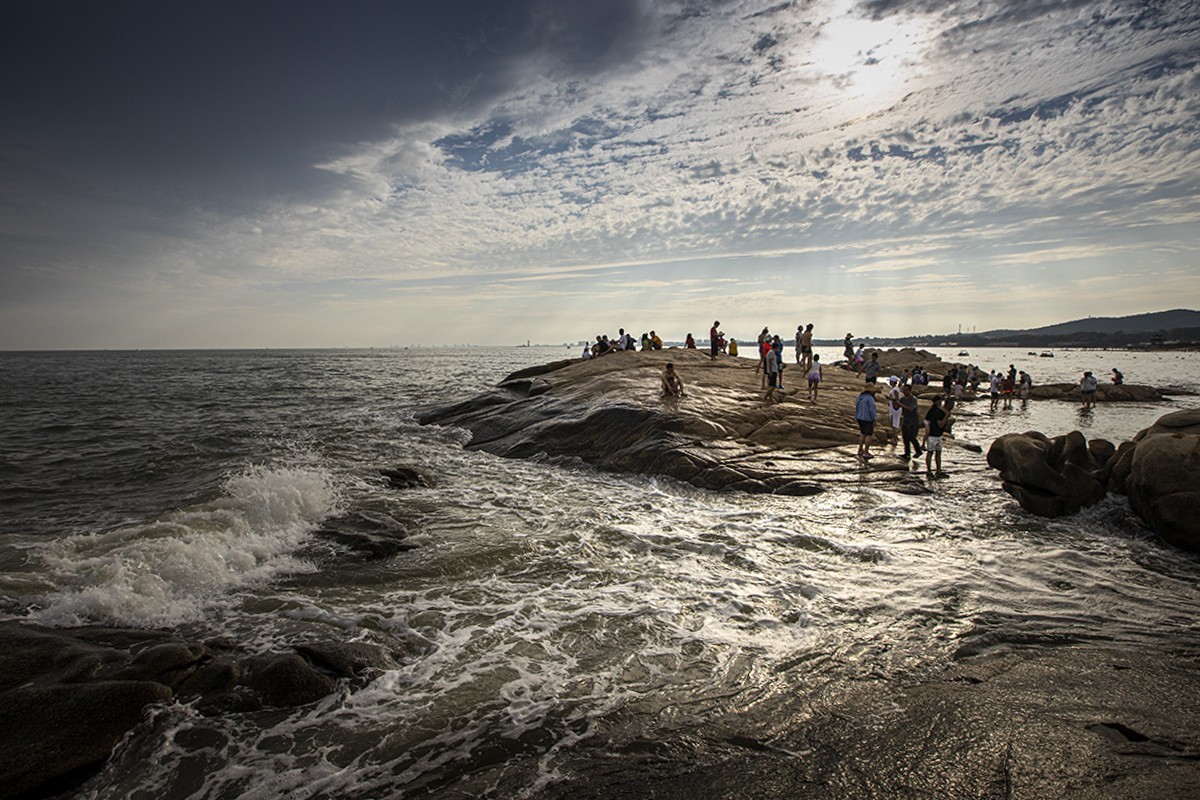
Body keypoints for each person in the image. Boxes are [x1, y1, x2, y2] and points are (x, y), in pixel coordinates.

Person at [924, 395, 948, 476]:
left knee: (932, 453)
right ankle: (936, 471)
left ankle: (931, 471)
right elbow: (940, 424)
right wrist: (946, 416)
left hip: (934, 435)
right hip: (934, 435)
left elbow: (926, 421)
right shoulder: (937, 411)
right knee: (935, 453)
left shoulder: (932, 410)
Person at [899, 383, 922, 461]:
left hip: (913, 421)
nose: (904, 392)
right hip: (906, 420)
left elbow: (910, 409)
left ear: (909, 390)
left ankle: (918, 451)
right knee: (905, 437)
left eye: (906, 390)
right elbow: (897, 407)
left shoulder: (913, 399)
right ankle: (907, 454)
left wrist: (900, 404)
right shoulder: (902, 399)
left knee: (912, 437)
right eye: (903, 390)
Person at [855, 385, 877, 460]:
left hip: (860, 417)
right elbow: (872, 410)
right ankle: (866, 451)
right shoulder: (870, 398)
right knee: (869, 434)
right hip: (867, 418)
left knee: (862, 433)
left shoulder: (860, 397)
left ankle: (860, 449)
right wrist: (874, 419)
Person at [886, 376, 902, 444]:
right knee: (895, 423)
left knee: (894, 424)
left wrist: (889, 398)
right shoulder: (895, 388)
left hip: (895, 408)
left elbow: (897, 399)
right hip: (894, 407)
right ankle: (895, 437)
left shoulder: (895, 389)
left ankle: (894, 439)